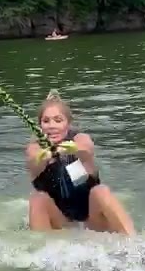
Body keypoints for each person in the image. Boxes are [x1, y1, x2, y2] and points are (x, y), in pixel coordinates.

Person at [25, 92, 135, 234]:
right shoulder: (34, 148)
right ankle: (40, 246)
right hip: (60, 224)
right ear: (40, 126)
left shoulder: (80, 138)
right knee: (37, 199)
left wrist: (70, 149)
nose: (52, 126)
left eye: (58, 120)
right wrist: (44, 155)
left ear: (68, 124)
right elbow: (33, 160)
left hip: (93, 221)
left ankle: (134, 242)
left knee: (101, 191)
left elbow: (86, 149)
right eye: (46, 121)